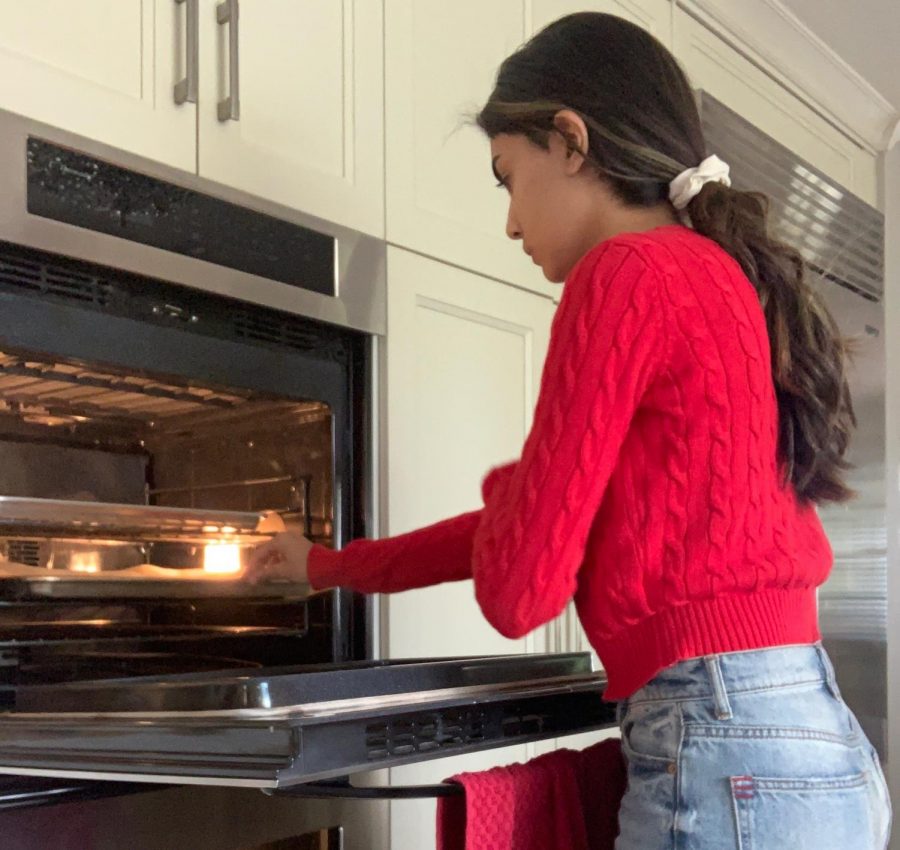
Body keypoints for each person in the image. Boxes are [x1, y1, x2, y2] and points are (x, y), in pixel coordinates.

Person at [248, 12, 891, 849]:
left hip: (722, 748)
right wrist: (330, 567)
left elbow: (520, 591)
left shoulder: (622, 275)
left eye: (506, 178)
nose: (511, 222)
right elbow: (535, 531)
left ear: (571, 141)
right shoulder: (717, 276)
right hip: (813, 748)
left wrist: (516, 488)